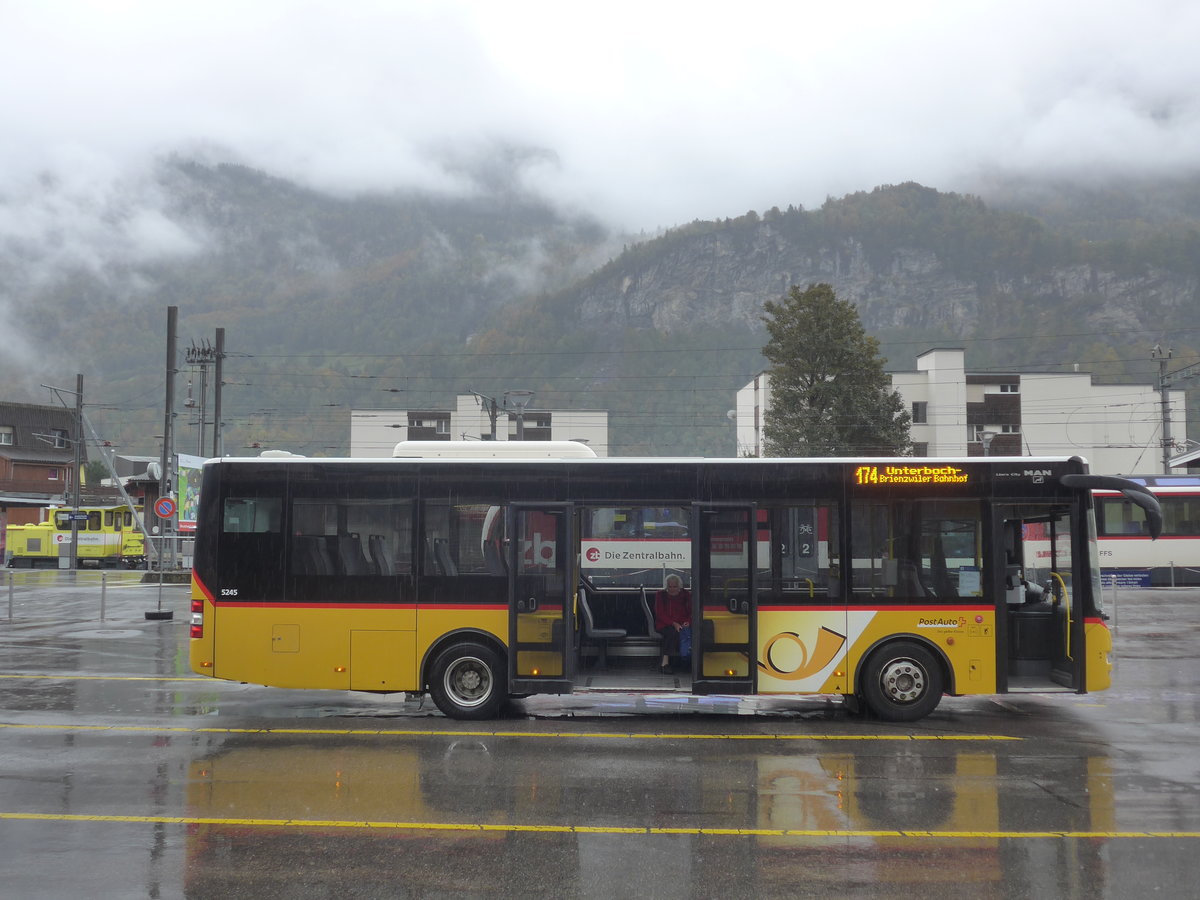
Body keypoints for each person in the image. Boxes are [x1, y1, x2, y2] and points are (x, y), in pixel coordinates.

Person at [654, 574, 691, 674]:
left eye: (675, 587)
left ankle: (686, 660)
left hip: (682, 623)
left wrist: (688, 621)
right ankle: (665, 663)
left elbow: (691, 611)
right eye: (670, 586)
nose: (672, 589)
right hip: (664, 624)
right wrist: (673, 623)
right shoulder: (660, 595)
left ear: (679, 586)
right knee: (671, 633)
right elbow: (660, 614)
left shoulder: (686, 594)